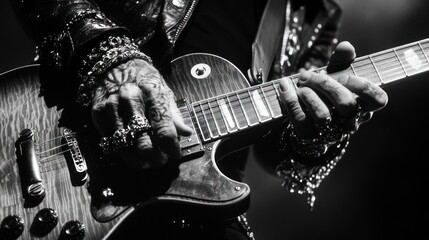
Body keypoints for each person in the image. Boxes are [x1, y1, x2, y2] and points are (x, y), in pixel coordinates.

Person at [10, 0, 388, 239]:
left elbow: (275, 155)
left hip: (204, 207)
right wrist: (112, 61)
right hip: (66, 154)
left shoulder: (315, 13)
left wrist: (320, 132)